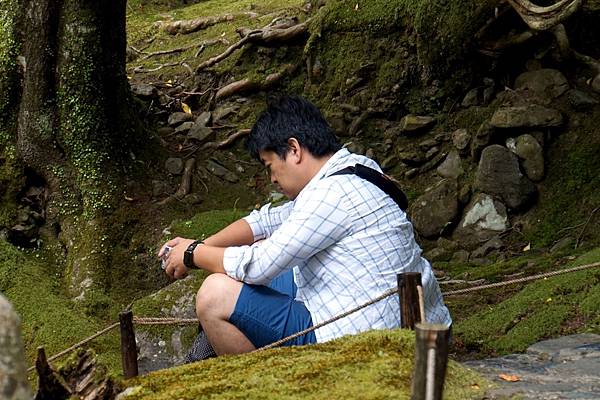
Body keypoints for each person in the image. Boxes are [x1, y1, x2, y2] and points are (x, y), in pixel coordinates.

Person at [158, 95, 451, 355]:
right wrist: (205, 245)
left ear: (294, 149)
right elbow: (267, 222)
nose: (272, 178)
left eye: (270, 165)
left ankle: (273, 388)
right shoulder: (356, 169)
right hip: (418, 328)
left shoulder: (332, 195)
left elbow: (258, 265)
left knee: (214, 295)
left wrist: (192, 253)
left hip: (365, 347)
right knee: (253, 255)